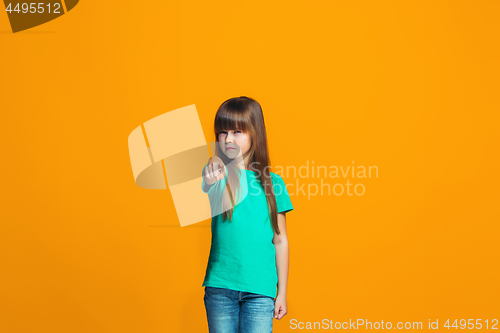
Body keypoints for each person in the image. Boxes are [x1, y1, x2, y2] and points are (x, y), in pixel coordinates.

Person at [201, 96, 294, 333]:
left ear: (254, 133)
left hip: (260, 291)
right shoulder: (218, 175)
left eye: (236, 131)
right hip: (221, 288)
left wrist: (281, 292)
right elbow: (206, 183)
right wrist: (210, 173)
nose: (228, 138)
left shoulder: (274, 184)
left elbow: (280, 240)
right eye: (222, 132)